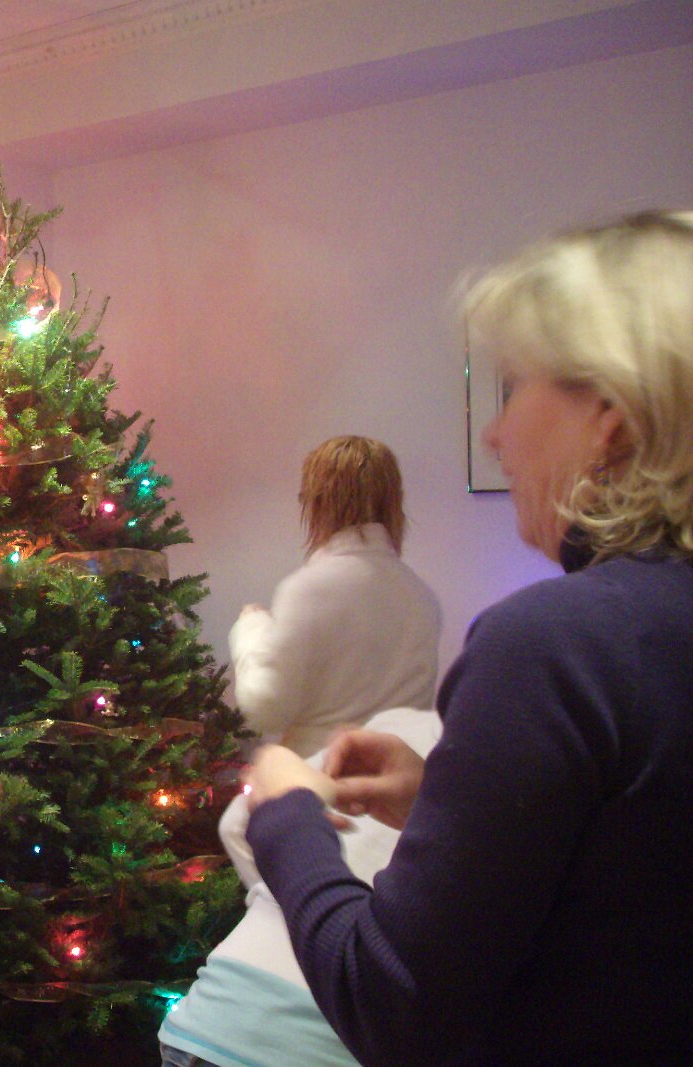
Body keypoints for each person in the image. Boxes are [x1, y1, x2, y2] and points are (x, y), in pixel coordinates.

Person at [245, 211, 693, 1065]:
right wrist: (450, 802)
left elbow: (394, 1006)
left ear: (610, 411)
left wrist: (287, 813)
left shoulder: (556, 645)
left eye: (512, 385)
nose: (494, 431)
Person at [160, 706, 441, 1067]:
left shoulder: (398, 726)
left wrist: (288, 884)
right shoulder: (506, 826)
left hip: (214, 1013)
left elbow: (237, 822)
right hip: (322, 1046)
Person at [229, 436, 441, 756]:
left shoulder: (308, 591)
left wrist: (251, 628)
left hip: (322, 775)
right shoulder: (421, 597)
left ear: (316, 503)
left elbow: (266, 707)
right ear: (393, 503)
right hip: (399, 781)